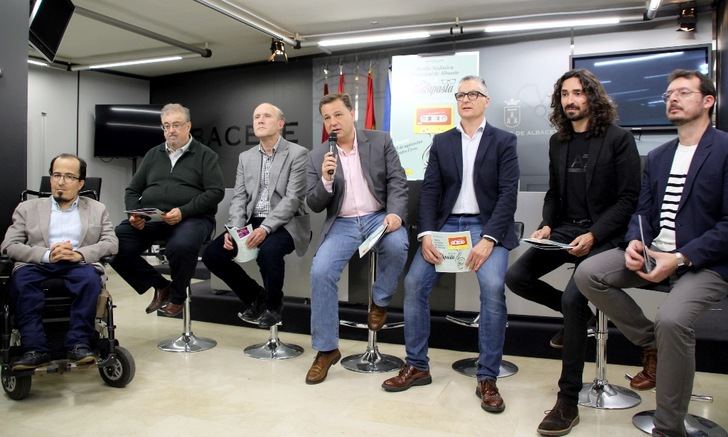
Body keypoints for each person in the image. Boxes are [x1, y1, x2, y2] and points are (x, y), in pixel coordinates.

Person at [573, 70, 728, 437]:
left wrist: (682, 257)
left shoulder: (723, 149)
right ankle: (651, 343)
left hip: (704, 262)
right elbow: (641, 211)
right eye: (668, 94)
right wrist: (634, 242)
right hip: (655, 252)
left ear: (708, 100)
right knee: (588, 274)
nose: (672, 98)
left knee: (673, 320)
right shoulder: (658, 157)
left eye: (683, 92)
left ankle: (668, 428)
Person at [505, 69, 640, 435]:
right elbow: (554, 194)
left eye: (578, 93)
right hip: (565, 232)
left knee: (573, 299)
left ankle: (567, 401)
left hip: (604, 237)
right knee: (517, 277)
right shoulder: (558, 142)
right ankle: (573, 322)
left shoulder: (619, 139)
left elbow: (629, 200)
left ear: (592, 97)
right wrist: (548, 224)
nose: (570, 100)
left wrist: (595, 235)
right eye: (565, 94)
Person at [381, 75, 519, 414]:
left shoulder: (504, 141)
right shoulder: (442, 141)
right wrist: (426, 234)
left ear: (487, 100)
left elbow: (507, 195)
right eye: (461, 94)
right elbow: (430, 192)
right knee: (414, 284)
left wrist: (489, 239)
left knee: (492, 288)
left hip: (486, 227)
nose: (466, 99)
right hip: (446, 227)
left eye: (474, 94)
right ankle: (417, 366)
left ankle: (487, 377)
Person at [304, 93, 409, 384]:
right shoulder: (318, 156)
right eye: (327, 118)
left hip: (379, 216)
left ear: (352, 113)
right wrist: (326, 180)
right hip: (344, 222)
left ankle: (380, 300)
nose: (333, 122)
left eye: (338, 115)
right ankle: (326, 350)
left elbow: (397, 181)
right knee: (321, 271)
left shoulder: (380, 141)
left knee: (398, 244)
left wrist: (396, 214)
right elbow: (313, 203)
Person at [1, 154, 118, 370]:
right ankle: (35, 349)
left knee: (90, 281)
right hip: (36, 264)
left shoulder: (96, 209)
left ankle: (79, 344)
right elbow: (9, 245)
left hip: (77, 264)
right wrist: (46, 255)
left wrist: (80, 254)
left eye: (69, 176)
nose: (61, 181)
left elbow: (111, 243)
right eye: (56, 175)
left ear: (81, 183)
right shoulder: (27, 208)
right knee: (22, 283)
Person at [202, 103, 310, 328]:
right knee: (213, 254)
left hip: (286, 223)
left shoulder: (298, 154)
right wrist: (235, 229)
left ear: (280, 124)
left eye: (266, 116)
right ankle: (256, 297)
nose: (260, 120)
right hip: (253, 220)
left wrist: (265, 229)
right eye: (256, 117)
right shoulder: (246, 157)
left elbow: (293, 200)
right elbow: (239, 198)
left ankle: (273, 306)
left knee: (268, 252)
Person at [110, 103, 224, 317]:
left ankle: (178, 296)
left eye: (176, 125)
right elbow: (132, 190)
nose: (171, 130)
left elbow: (215, 192)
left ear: (188, 126)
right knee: (112, 244)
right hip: (152, 219)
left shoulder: (205, 155)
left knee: (180, 246)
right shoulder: (153, 154)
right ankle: (161, 286)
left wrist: (184, 211)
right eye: (166, 126)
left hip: (192, 219)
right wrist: (136, 214)